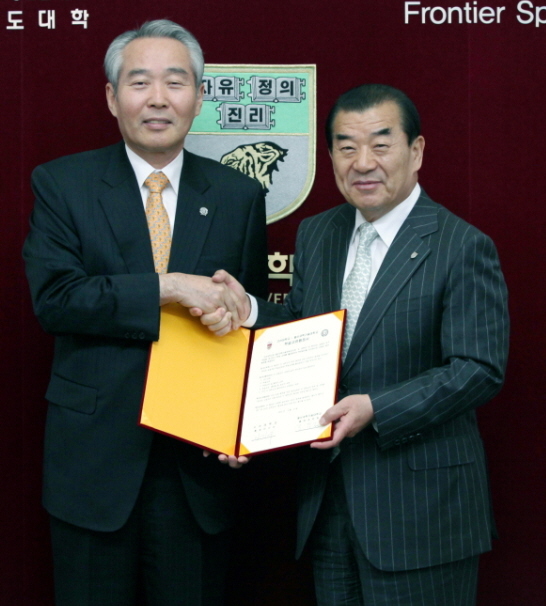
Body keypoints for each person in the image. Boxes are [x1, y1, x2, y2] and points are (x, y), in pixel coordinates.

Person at [202, 84, 509, 605]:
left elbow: (478, 368)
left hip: (421, 513)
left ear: (416, 152)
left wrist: (377, 408)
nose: (363, 162)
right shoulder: (318, 233)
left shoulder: (462, 245)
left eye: (381, 145)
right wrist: (250, 312)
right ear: (330, 158)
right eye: (346, 147)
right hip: (327, 506)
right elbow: (302, 333)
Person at [23, 19, 267, 606]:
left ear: (200, 95)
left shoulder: (238, 195)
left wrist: (245, 424)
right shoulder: (63, 183)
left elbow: (249, 318)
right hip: (94, 467)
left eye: (176, 82)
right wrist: (169, 287)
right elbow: (56, 298)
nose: (158, 99)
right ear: (112, 97)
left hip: (197, 470)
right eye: (139, 83)